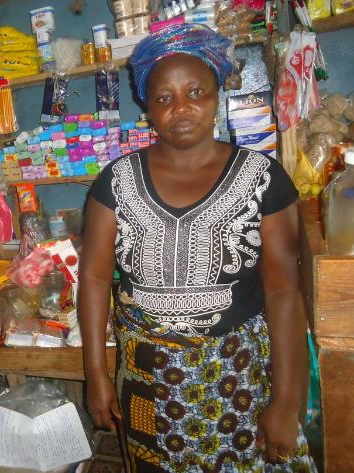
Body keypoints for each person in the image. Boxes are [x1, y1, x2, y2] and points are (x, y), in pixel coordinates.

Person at [78, 24, 317, 473]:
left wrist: (287, 401)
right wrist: (96, 374)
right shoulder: (116, 182)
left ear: (217, 95)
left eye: (195, 92)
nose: (181, 107)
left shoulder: (262, 179)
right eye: (164, 98)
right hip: (145, 380)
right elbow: (93, 278)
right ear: (148, 107)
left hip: (236, 381)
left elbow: (284, 292)